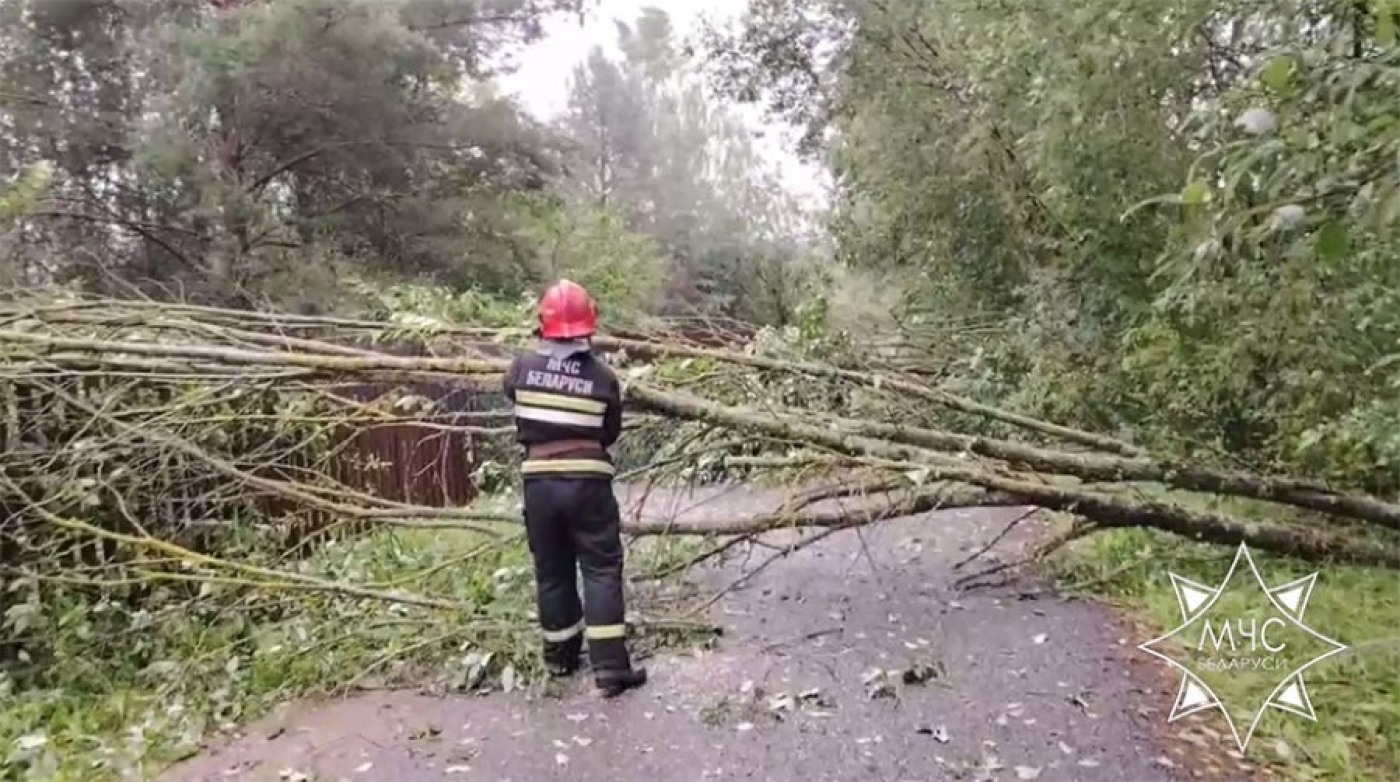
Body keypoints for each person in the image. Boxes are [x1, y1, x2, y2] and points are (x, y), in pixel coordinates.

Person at [501, 279, 648, 698]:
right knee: (600, 569)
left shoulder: (520, 367)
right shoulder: (603, 377)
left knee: (552, 570)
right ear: (588, 325)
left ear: (542, 324)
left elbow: (512, 393)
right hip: (588, 482)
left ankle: (560, 659)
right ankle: (610, 671)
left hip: (540, 483)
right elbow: (611, 432)